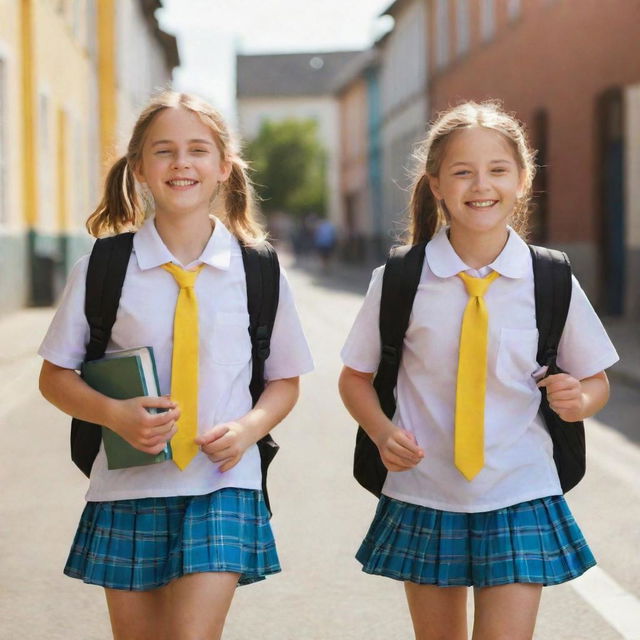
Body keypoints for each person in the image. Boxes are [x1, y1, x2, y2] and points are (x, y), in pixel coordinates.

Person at [38, 91, 313, 640]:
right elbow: (55, 377)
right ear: (138, 167)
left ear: (223, 168)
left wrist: (249, 428)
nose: (182, 163)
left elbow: (284, 380)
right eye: (164, 151)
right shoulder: (104, 267)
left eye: (198, 150)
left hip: (223, 483)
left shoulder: (255, 269)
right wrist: (114, 415)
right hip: (128, 487)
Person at [338, 101, 618, 640]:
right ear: (436, 185)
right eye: (462, 171)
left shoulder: (550, 278)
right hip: (424, 492)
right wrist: (381, 431)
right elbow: (355, 378)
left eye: (497, 169)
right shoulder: (399, 279)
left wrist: (578, 401)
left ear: (522, 180)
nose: (480, 184)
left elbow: (596, 380)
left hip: (520, 491)